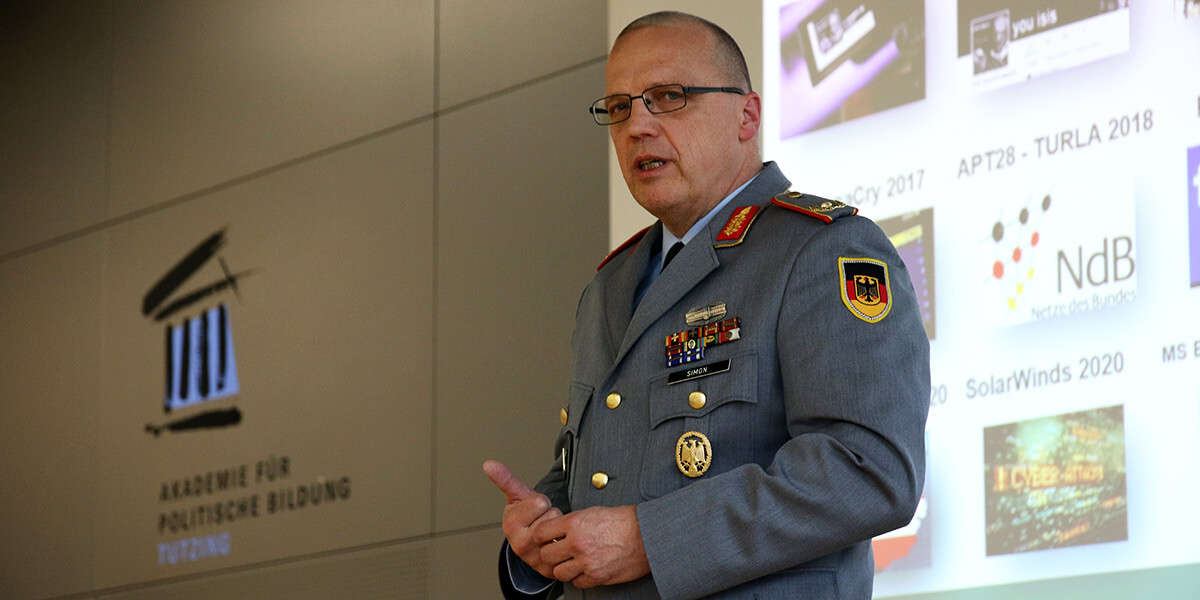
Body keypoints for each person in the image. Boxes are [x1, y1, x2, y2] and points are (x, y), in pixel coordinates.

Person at [485, 11, 929, 600]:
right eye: (618, 107)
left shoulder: (822, 247)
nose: (637, 126)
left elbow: (868, 470)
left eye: (668, 97)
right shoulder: (610, 286)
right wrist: (545, 534)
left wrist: (651, 540)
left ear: (747, 115)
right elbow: (610, 475)